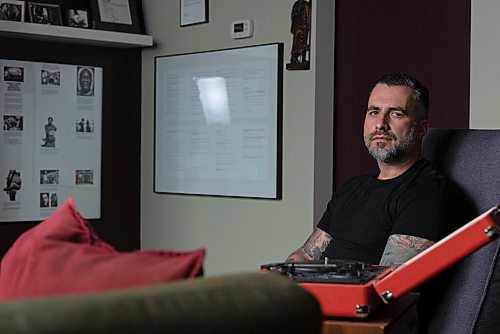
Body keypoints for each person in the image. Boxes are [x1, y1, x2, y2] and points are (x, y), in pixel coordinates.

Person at [287, 73, 470, 267]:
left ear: (421, 128)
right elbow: (306, 255)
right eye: (374, 112)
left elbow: (389, 286)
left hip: (350, 296)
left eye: (396, 113)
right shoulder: (352, 187)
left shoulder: (426, 192)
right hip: (310, 291)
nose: (380, 123)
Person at [289, 0, 311, 65]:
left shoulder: (305, 4)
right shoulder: (296, 4)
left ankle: (303, 58)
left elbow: (308, 15)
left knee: (304, 43)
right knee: (296, 43)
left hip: (304, 27)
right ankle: (294, 57)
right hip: (298, 26)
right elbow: (293, 16)